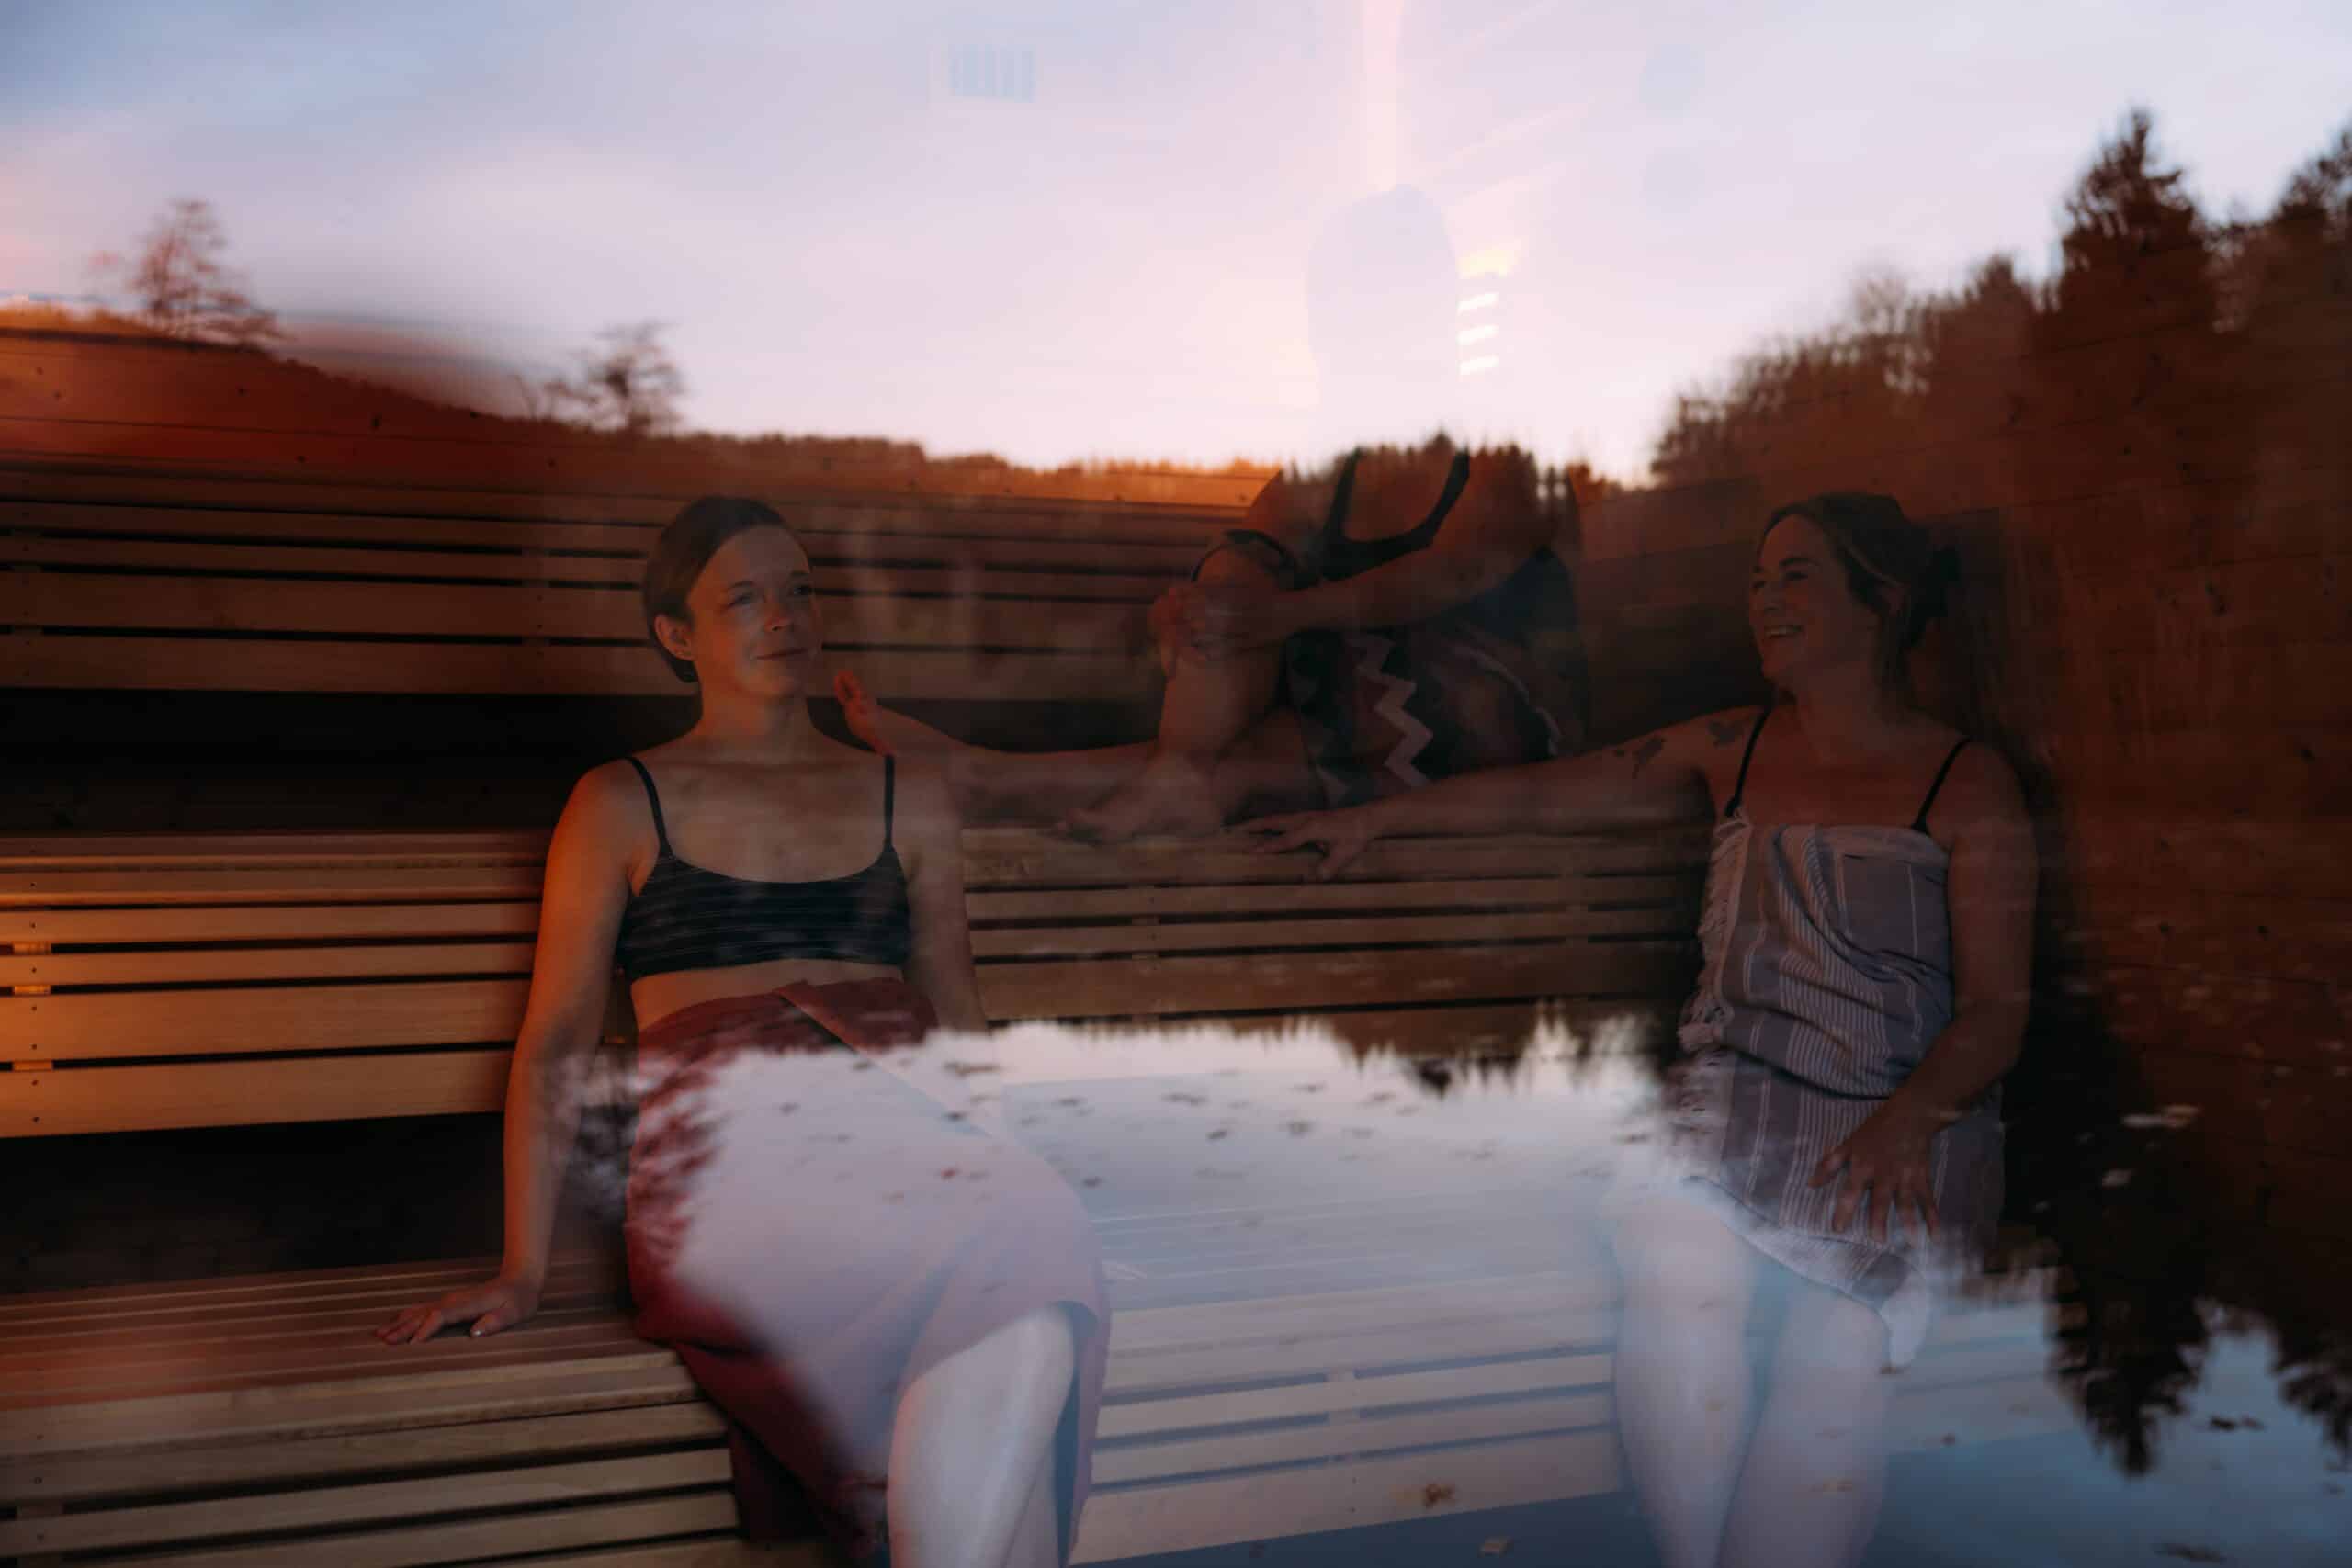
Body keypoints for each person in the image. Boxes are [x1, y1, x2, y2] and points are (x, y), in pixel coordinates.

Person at [1238, 492, 2036, 1568]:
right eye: (1758, 581)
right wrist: (1372, 817)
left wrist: (1907, 1126)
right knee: (1675, 1267)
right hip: (1737, 1095)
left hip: (1901, 1116)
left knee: (1837, 1343)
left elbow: (1996, 1012)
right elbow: (1543, 793)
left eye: (1795, 575)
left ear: (1880, 602)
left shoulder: (1964, 782)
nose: (1765, 601)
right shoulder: (1733, 747)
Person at [379, 497, 1110, 1568]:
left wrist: (994, 1157)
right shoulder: (622, 802)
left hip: (907, 1144)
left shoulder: (907, 794)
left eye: (802, 591)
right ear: (678, 636)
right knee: (1029, 1274)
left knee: (1037, 1244)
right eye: (745, 598)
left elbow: (954, 1011)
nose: (785, 617)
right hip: (728, 1168)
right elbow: (555, 1048)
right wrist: (523, 1269)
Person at [835, 437, 1589, 840]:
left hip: (1503, 720)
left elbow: (1455, 572)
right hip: (1346, 715)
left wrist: (1286, 616)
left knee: (1315, 708)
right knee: (1239, 577)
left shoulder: (1510, 446)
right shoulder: (1328, 468)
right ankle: (1157, 781)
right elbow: (1245, 557)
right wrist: (1197, 607)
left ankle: (997, 782)